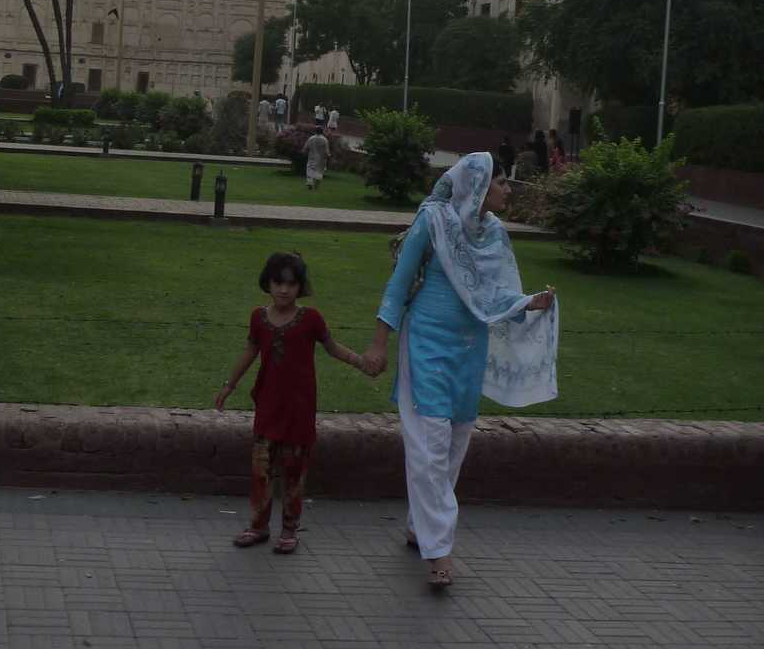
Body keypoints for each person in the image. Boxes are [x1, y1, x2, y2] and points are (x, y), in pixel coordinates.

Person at [362, 153, 558, 592]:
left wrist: (530, 303)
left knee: (454, 444)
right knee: (430, 444)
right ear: (478, 187)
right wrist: (379, 343)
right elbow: (397, 288)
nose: (509, 190)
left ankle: (420, 526)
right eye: (502, 183)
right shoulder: (432, 222)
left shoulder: (495, 234)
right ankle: (440, 550)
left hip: (470, 350)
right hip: (427, 345)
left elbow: (498, 294)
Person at [216, 251, 365, 554]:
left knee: (294, 470)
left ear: (300, 287)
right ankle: (258, 526)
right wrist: (229, 385)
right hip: (268, 405)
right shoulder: (258, 318)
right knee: (261, 468)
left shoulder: (310, 319)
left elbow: (332, 347)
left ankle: (289, 529)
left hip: (298, 407)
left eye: (291, 284)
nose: (284, 290)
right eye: (278, 283)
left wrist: (360, 361)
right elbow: (250, 351)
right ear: (267, 284)